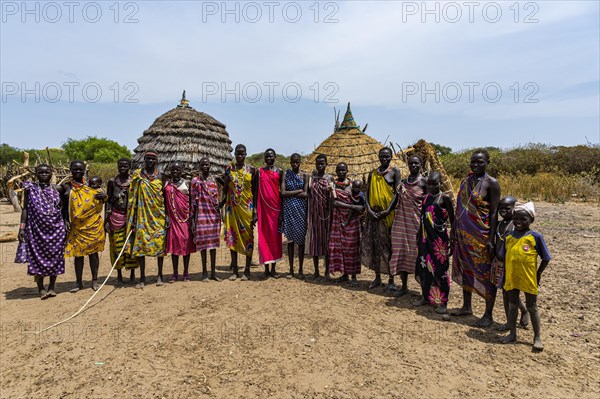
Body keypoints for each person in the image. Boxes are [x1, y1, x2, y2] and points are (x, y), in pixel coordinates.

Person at [450, 149, 500, 327]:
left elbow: (494, 213)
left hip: (481, 235)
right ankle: (466, 307)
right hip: (463, 234)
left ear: (488, 162)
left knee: (485, 273)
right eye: (473, 161)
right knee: (465, 269)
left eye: (479, 162)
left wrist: (491, 239)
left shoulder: (492, 184)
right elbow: (459, 209)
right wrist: (454, 230)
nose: (475, 165)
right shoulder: (466, 181)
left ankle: (488, 314)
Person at [499, 202, 551, 351]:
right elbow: (503, 256)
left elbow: (546, 257)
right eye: (516, 219)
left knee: (532, 306)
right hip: (512, 277)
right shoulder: (509, 237)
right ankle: (512, 333)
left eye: (523, 219)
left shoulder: (535, 236)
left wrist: (538, 273)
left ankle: (537, 337)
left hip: (528, 278)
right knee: (513, 304)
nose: (519, 222)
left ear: (531, 221)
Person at [15, 165, 67, 299]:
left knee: (55, 257)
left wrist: (66, 222)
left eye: (46, 172)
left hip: (56, 229)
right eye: (40, 172)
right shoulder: (30, 189)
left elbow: (64, 209)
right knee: (36, 258)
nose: (44, 174)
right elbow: (25, 209)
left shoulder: (58, 189)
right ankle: (41, 288)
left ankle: (51, 287)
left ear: (51, 173)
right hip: (35, 230)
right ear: (36, 174)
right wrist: (22, 228)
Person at [62, 160, 107, 292]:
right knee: (78, 255)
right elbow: (62, 207)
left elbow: (102, 199)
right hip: (76, 226)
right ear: (70, 170)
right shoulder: (66, 187)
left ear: (84, 170)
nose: (77, 172)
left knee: (93, 254)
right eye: (75, 169)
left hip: (93, 225)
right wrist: (65, 220)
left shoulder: (91, 186)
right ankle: (78, 282)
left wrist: (104, 197)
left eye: (80, 169)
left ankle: (94, 281)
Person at [413, 172, 454, 314]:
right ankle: (425, 296)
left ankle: (443, 302)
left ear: (440, 183)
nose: (431, 186)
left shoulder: (445, 198)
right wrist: (419, 236)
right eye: (429, 184)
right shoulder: (425, 199)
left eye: (434, 184)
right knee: (424, 268)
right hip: (425, 239)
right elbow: (422, 218)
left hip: (439, 242)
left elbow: (452, 221)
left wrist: (453, 240)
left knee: (441, 270)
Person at [125, 150, 167, 289]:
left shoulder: (161, 176)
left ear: (156, 161)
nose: (150, 161)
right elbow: (133, 198)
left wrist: (166, 216)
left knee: (160, 245)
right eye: (147, 159)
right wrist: (133, 218)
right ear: (144, 160)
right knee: (141, 247)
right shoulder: (137, 176)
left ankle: (160, 275)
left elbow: (165, 197)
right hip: (142, 217)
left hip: (158, 216)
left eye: (152, 159)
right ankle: (142, 277)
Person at [362, 147, 401, 289]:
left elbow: (397, 194)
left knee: (389, 246)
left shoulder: (395, 172)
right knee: (375, 246)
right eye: (382, 156)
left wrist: (387, 210)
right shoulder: (372, 173)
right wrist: (369, 210)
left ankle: (391, 280)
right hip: (373, 216)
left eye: (387, 156)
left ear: (391, 157)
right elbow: (366, 193)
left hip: (388, 216)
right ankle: (377, 277)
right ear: (378, 157)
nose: (384, 159)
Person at [491, 196, 530, 330]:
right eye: (500, 208)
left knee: (511, 292)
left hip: (512, 264)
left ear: (515, 208)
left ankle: (522, 312)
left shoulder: (516, 225)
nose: (503, 211)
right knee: (504, 292)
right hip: (500, 262)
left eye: (507, 208)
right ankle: (511, 320)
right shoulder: (499, 224)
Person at [390, 155, 427, 296]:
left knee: (417, 255)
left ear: (421, 164)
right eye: (411, 163)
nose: (413, 165)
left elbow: (428, 204)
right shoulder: (403, 183)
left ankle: (424, 291)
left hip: (416, 224)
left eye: (416, 163)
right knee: (401, 252)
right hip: (401, 223)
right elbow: (396, 199)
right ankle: (404, 286)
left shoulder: (424, 183)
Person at [221, 144, 256, 281]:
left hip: (247, 208)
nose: (240, 156)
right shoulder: (229, 169)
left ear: (246, 154)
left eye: (242, 154)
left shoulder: (252, 170)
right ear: (234, 154)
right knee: (232, 236)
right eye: (238, 154)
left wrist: (255, 212)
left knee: (248, 237)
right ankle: (235, 270)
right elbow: (224, 190)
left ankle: (247, 270)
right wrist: (226, 182)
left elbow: (255, 191)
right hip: (232, 209)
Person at [105, 158, 137, 286]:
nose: (122, 168)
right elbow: (108, 201)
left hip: (130, 218)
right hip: (115, 217)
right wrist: (106, 220)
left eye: (125, 166)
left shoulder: (133, 182)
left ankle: (133, 274)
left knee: (131, 247)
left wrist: (135, 219)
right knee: (117, 247)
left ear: (129, 167)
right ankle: (119, 276)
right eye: (120, 166)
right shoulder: (112, 182)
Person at [190, 157, 222, 282]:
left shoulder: (215, 179)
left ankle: (213, 272)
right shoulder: (195, 181)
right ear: (199, 166)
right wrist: (192, 220)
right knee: (203, 246)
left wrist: (222, 203)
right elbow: (192, 201)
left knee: (213, 246)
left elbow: (229, 186)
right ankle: (204, 272)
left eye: (207, 164)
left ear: (210, 165)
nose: (205, 167)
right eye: (202, 165)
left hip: (214, 216)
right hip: (201, 215)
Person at [329, 179, 364, 287]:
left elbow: (361, 207)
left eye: (343, 170)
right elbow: (334, 203)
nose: (341, 172)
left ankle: (353, 276)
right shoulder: (333, 186)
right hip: (339, 220)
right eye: (339, 170)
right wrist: (353, 206)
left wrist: (354, 208)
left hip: (352, 222)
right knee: (342, 248)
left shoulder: (353, 189)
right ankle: (345, 274)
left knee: (352, 248)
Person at [164, 161, 195, 282]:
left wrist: (192, 218)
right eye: (173, 170)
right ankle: (175, 273)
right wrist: (166, 216)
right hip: (173, 219)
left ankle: (186, 272)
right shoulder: (167, 184)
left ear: (182, 171)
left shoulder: (187, 183)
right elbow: (164, 202)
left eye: (177, 170)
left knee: (186, 245)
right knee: (174, 245)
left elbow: (192, 201)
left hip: (185, 219)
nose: (175, 172)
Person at [280, 153, 309, 279]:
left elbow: (306, 194)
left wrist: (290, 194)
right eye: (292, 162)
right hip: (289, 211)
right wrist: (298, 191)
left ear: (300, 162)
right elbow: (282, 192)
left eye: (297, 162)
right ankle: (291, 269)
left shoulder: (305, 176)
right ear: (290, 162)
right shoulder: (286, 175)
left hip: (301, 211)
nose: (295, 164)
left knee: (301, 241)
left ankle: (301, 269)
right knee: (290, 241)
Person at [256, 148, 283, 278]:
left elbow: (282, 192)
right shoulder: (260, 172)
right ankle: (266, 268)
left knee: (276, 238)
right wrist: (256, 210)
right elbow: (256, 190)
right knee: (264, 237)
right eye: (266, 156)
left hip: (276, 209)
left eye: (271, 156)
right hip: (263, 209)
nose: (268, 158)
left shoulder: (279, 172)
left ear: (275, 157)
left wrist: (282, 212)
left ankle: (274, 269)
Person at [308, 154, 334, 280]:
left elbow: (334, 197)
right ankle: (316, 271)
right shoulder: (312, 178)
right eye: (318, 163)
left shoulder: (330, 178)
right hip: (314, 215)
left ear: (326, 164)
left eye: (322, 163)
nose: (320, 165)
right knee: (315, 242)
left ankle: (327, 271)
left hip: (326, 215)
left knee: (327, 243)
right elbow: (309, 195)